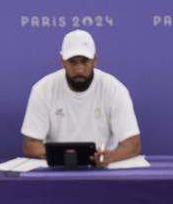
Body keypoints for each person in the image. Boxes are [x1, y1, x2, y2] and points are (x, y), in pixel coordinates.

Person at [20, 29, 141, 168]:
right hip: (57, 170)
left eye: (85, 61)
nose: (79, 69)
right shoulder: (43, 89)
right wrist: (66, 158)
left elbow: (133, 144)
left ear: (95, 61)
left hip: (103, 169)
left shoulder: (115, 89)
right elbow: (30, 144)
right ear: (62, 62)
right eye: (73, 62)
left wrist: (110, 157)